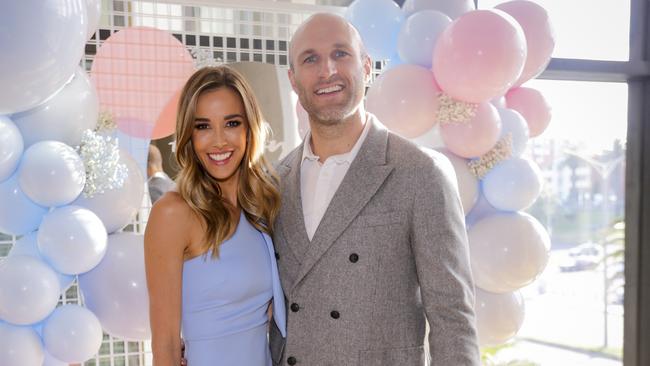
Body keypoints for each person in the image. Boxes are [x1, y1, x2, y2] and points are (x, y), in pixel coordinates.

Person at [268, 13, 480, 365]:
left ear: (366, 68)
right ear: (293, 79)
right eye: (310, 59)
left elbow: (452, 316)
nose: (327, 71)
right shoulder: (274, 181)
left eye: (340, 54)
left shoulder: (420, 172)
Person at [144, 66, 286, 366]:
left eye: (231, 123)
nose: (219, 141)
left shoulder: (261, 208)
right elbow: (166, 347)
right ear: (189, 136)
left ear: (250, 128)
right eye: (203, 126)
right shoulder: (173, 213)